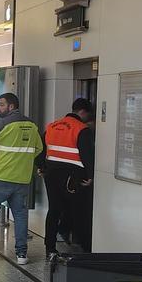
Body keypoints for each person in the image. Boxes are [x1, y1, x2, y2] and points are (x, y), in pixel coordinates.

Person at [0, 92, 43, 265]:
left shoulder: (5, 123)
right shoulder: (32, 125)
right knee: (20, 215)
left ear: (11, 106)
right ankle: (21, 254)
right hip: (22, 179)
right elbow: (38, 149)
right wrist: (23, 162)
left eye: (2, 104)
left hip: (1, 177)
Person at [41, 97, 96, 259]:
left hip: (51, 174)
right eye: (88, 115)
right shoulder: (81, 128)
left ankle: (50, 247)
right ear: (83, 112)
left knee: (54, 210)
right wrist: (91, 176)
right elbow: (87, 155)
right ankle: (85, 246)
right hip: (72, 176)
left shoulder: (52, 126)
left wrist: (41, 167)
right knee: (78, 210)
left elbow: (42, 148)